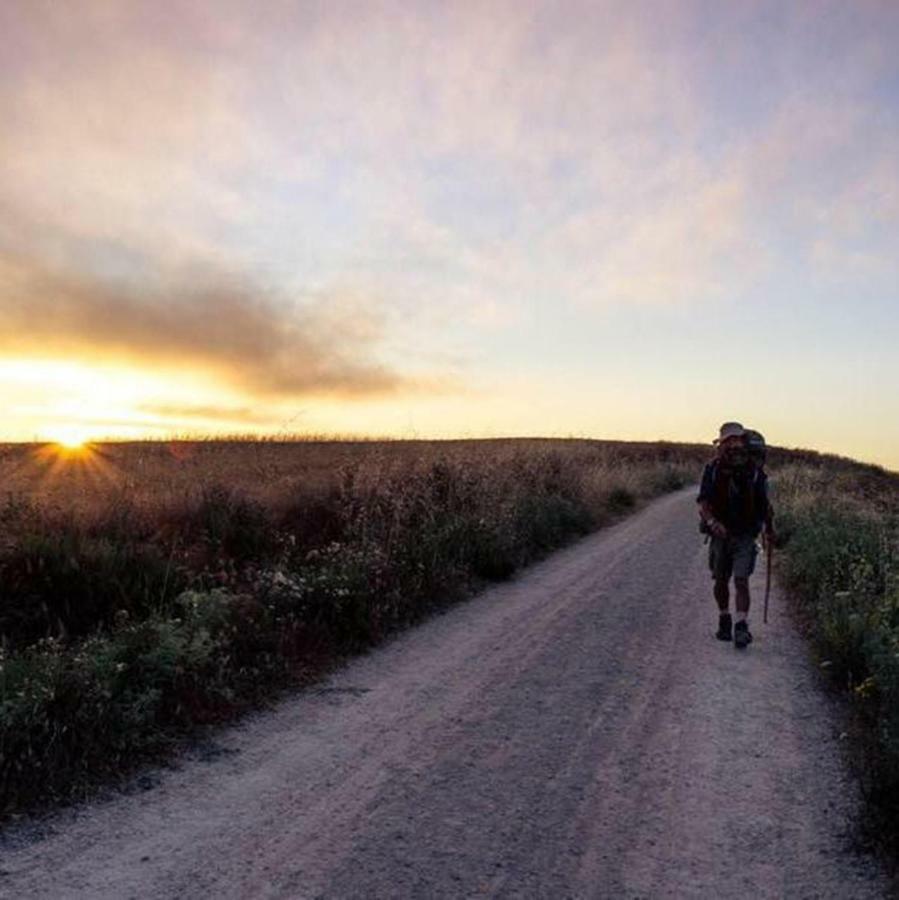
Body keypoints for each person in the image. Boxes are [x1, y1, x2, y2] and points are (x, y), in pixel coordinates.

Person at [697, 422, 774, 649]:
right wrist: (712, 522)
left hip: (744, 535)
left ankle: (741, 626)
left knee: (741, 580)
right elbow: (703, 502)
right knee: (720, 580)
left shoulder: (755, 473)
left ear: (743, 440)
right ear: (722, 443)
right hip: (720, 534)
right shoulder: (712, 470)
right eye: (728, 440)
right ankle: (724, 618)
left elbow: (764, 505)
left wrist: (769, 529)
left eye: (736, 439)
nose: (733, 444)